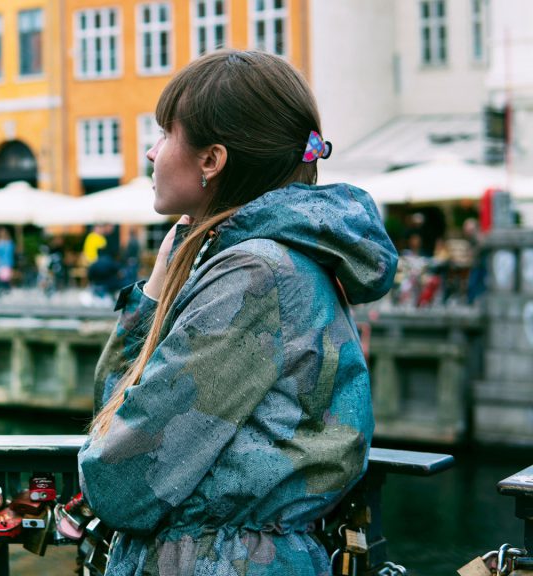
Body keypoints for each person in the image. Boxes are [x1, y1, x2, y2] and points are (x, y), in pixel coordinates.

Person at [77, 50, 398, 576]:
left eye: (165, 134)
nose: (152, 152)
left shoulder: (253, 275)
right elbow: (116, 415)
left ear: (211, 160)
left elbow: (119, 479)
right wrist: (159, 284)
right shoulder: (262, 260)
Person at [0, 227, 15, 298]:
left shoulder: (8, 243)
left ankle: (4, 290)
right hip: (0, 263)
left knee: (5, 278)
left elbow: (10, 253)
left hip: (7, 262)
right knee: (2, 278)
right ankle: (2, 290)